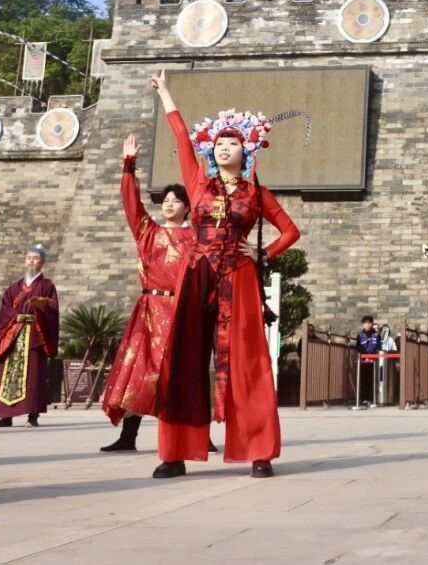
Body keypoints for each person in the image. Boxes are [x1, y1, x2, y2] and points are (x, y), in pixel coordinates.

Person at [150, 70, 300, 479]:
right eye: (218, 143)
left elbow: (291, 231)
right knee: (184, 359)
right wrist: (166, 94)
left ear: (246, 149)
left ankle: (259, 452)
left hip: (239, 276)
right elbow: (182, 140)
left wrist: (263, 253)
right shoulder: (198, 184)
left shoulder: (257, 193)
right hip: (197, 273)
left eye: (231, 142)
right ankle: (175, 453)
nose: (222, 148)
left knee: (248, 361)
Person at [99, 134, 197, 453]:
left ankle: (200, 435)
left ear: (187, 207)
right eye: (166, 199)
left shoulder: (196, 239)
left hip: (180, 310)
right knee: (140, 370)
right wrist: (128, 165)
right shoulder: (147, 232)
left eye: (176, 200)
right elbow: (132, 204)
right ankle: (128, 437)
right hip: (149, 309)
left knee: (183, 374)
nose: (169, 203)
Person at [0, 244, 59, 428]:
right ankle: (6, 416)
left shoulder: (47, 286)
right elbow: (5, 309)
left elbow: (53, 310)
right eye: (29, 258)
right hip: (13, 334)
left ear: (42, 263)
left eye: (36, 258)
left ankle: (32, 415)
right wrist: (15, 316)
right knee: (9, 375)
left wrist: (41, 309)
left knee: (34, 376)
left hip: (35, 334)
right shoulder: (14, 287)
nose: (31, 262)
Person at [356, 315, 380, 406]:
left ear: (372, 324)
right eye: (366, 323)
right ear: (363, 324)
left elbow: (378, 346)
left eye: (369, 323)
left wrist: (373, 355)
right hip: (363, 361)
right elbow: (358, 347)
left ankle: (371, 398)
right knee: (363, 379)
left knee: (372, 379)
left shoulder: (376, 335)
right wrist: (363, 355)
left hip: (373, 360)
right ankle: (363, 398)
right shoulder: (360, 335)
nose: (368, 324)